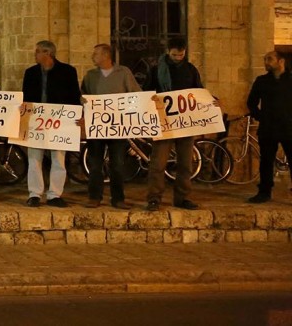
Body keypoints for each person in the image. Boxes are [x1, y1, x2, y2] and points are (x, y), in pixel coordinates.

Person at [144, 37, 205, 211]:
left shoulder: (190, 69)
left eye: (181, 54)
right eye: (174, 54)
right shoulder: (156, 70)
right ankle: (154, 197)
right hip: (164, 122)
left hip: (185, 122)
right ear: (168, 52)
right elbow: (147, 91)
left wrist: (211, 102)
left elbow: (199, 90)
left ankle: (182, 197)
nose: (178, 57)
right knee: (158, 163)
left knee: (185, 163)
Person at [21, 40, 81, 207]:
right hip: (36, 120)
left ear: (48, 53)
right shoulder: (31, 73)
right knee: (34, 157)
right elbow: (26, 96)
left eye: (38, 51)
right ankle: (34, 193)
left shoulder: (67, 71)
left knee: (59, 158)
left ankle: (54, 194)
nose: (35, 54)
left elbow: (74, 95)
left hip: (59, 121)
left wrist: (75, 117)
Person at [81, 43, 140, 210]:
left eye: (96, 54)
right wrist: (83, 101)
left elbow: (135, 93)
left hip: (117, 127)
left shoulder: (123, 73)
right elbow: (83, 94)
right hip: (97, 127)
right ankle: (94, 197)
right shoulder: (90, 75)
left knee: (117, 164)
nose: (93, 57)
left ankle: (118, 198)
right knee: (95, 163)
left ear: (106, 56)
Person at [247, 50, 292, 204]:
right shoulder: (261, 81)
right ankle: (264, 192)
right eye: (265, 59)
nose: (266, 62)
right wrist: (261, 117)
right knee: (266, 161)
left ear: (281, 61)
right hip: (268, 128)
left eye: (270, 59)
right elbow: (251, 102)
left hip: (289, 127)